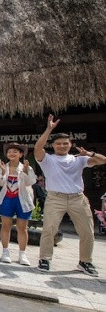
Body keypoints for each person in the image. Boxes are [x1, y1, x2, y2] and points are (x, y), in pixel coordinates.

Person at [34, 115, 105, 276]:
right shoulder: (47, 159)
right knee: (49, 229)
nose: (62, 146)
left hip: (77, 198)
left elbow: (102, 160)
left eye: (65, 143)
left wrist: (90, 153)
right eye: (58, 143)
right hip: (55, 198)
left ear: (70, 144)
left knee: (87, 231)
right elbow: (38, 148)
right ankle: (45, 259)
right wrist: (49, 129)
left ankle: (85, 261)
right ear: (53, 145)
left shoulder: (78, 159)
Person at [0, 143, 36, 266]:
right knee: (5, 226)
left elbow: (30, 182)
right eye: (9, 152)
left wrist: (25, 171)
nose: (11, 154)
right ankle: (5, 252)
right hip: (7, 198)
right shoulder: (3, 167)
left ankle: (22, 254)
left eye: (15, 152)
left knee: (22, 227)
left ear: (21, 154)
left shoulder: (27, 168)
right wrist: (3, 172)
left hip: (22, 199)